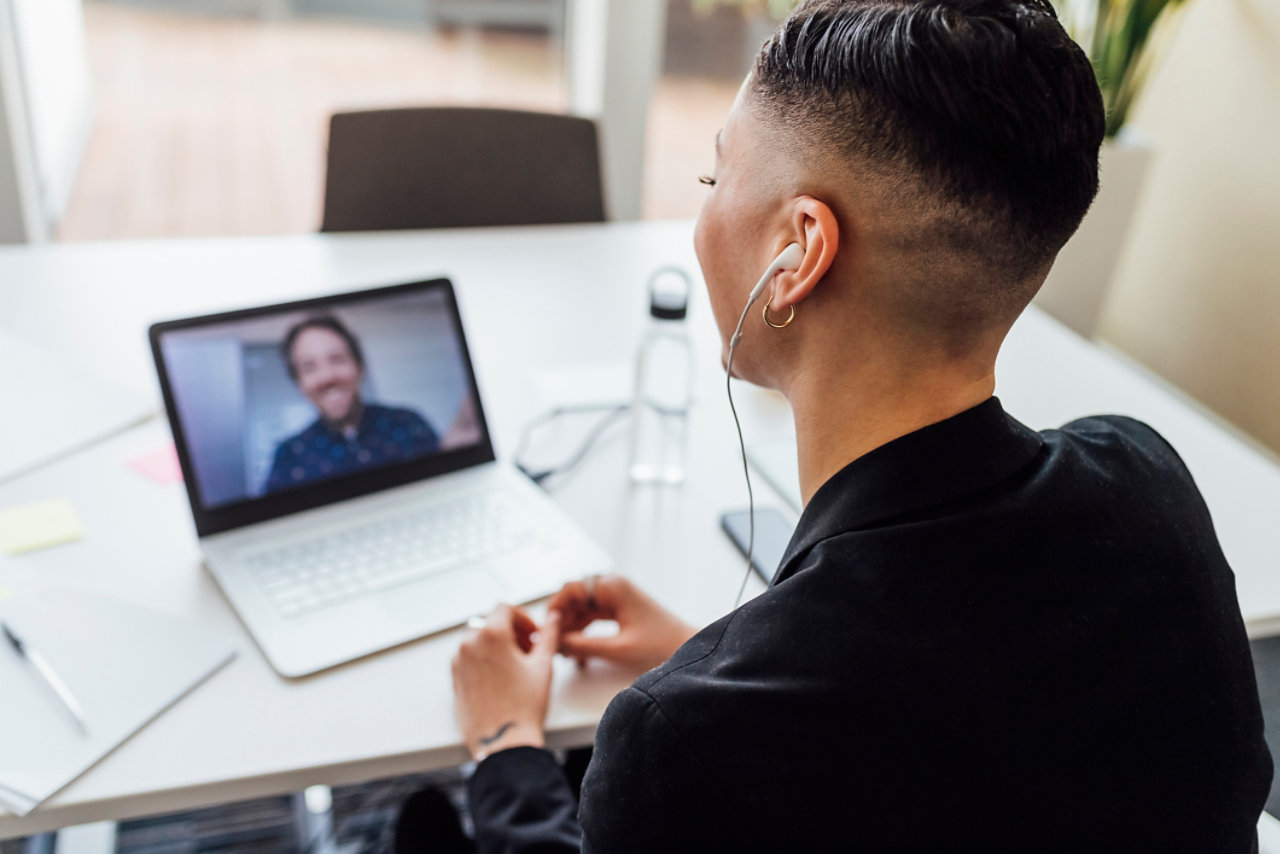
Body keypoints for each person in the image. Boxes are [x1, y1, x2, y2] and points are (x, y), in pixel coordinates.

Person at [438, 0, 1273, 850]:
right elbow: (986, 732)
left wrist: (506, 746)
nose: (704, 209)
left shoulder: (679, 747)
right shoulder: (1148, 484)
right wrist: (705, 652)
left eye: (714, 178)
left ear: (799, 254)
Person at [264, 315, 439, 493]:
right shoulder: (288, 458)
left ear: (359, 366)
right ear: (299, 384)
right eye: (309, 367)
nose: (327, 377)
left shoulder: (409, 423)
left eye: (337, 359)